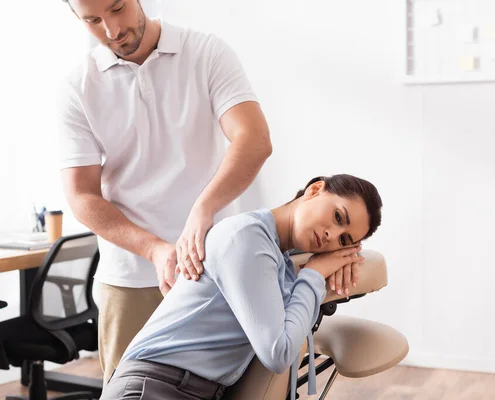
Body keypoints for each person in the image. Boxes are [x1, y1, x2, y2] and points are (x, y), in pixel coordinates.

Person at [58, 0, 273, 384]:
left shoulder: (206, 52)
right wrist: (153, 248)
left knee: (221, 390)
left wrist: (202, 209)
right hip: (129, 277)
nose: (111, 31)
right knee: (128, 390)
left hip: (215, 268)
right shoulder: (78, 84)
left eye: (117, 9)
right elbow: (82, 197)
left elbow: (253, 140)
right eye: (92, 20)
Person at [99, 174, 383, 400]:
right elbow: (278, 353)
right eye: (337, 217)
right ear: (314, 190)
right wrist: (315, 276)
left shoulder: (279, 258)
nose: (331, 236)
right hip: (155, 388)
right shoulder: (248, 238)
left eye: (344, 241)